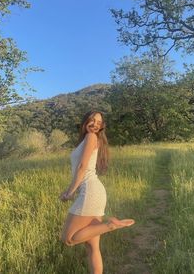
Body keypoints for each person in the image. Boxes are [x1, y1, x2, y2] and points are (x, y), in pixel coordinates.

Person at [59, 110, 135, 274]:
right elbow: (81, 170)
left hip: (90, 192)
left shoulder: (91, 137)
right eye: (92, 120)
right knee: (92, 246)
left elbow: (82, 168)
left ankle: (110, 225)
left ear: (101, 128)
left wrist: (69, 193)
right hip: (93, 191)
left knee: (69, 238)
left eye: (99, 123)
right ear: (86, 120)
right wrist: (69, 190)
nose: (95, 124)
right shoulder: (88, 139)